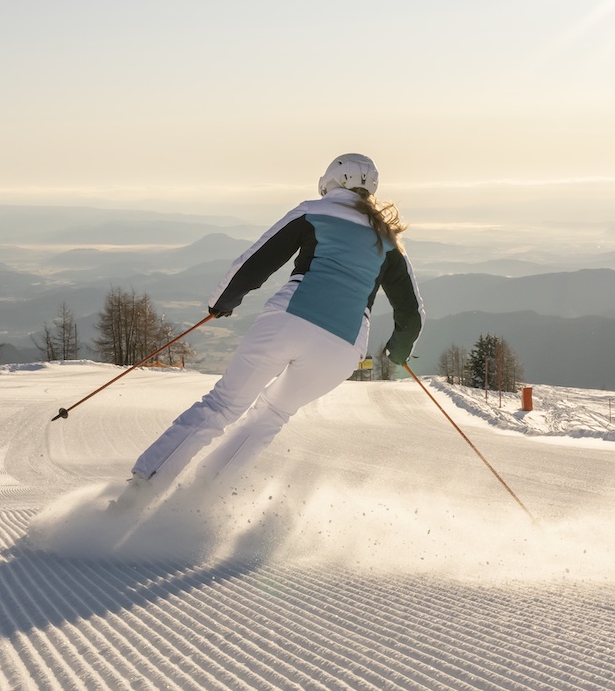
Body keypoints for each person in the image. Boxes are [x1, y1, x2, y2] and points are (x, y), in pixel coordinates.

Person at [111, 153, 424, 510]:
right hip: (343, 348)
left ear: (329, 183)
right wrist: (398, 352)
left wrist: (222, 303)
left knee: (222, 405)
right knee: (271, 416)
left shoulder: (313, 212)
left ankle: (141, 491)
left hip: (290, 320)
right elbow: (412, 313)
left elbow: (255, 262)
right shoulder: (387, 241)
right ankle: (197, 503)